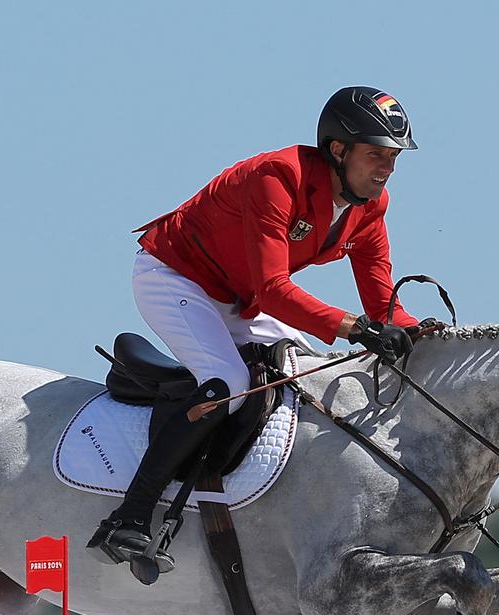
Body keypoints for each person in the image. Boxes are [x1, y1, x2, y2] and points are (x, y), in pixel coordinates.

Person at [87, 86, 424, 578]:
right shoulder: (278, 177)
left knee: (303, 370)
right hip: (174, 276)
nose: (386, 168)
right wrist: (355, 328)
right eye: (376, 154)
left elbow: (383, 303)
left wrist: (427, 334)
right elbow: (273, 289)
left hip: (234, 297)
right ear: (338, 150)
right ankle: (130, 513)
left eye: (392, 157)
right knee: (228, 380)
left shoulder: (372, 205)